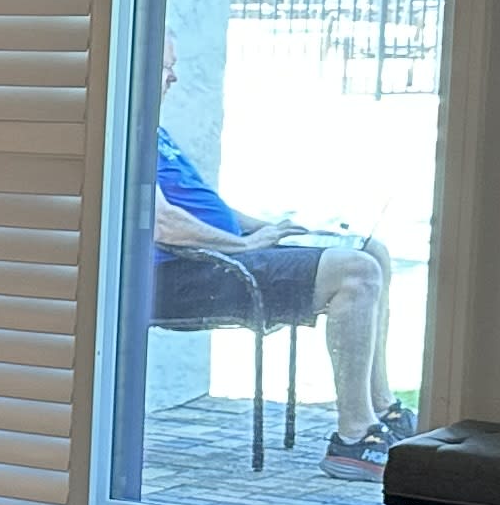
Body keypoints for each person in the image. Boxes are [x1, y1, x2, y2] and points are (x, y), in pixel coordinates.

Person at [154, 129, 409, 478]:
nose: (172, 79)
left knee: (370, 250)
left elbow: (200, 207)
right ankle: (355, 437)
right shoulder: (126, 129)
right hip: (181, 272)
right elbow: (163, 224)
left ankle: (382, 408)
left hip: (218, 254)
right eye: (167, 70)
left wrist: (270, 229)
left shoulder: (158, 132)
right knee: (357, 271)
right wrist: (244, 244)